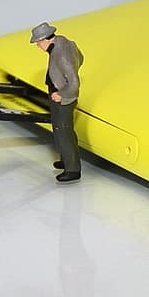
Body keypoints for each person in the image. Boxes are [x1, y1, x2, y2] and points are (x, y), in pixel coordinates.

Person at [30, 22, 84, 183]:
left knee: (64, 132)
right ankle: (66, 159)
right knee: (60, 129)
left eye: (38, 42)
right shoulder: (64, 42)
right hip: (56, 94)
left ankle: (72, 169)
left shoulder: (61, 54)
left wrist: (62, 93)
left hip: (63, 98)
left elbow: (74, 83)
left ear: (46, 39)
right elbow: (80, 58)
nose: (38, 46)